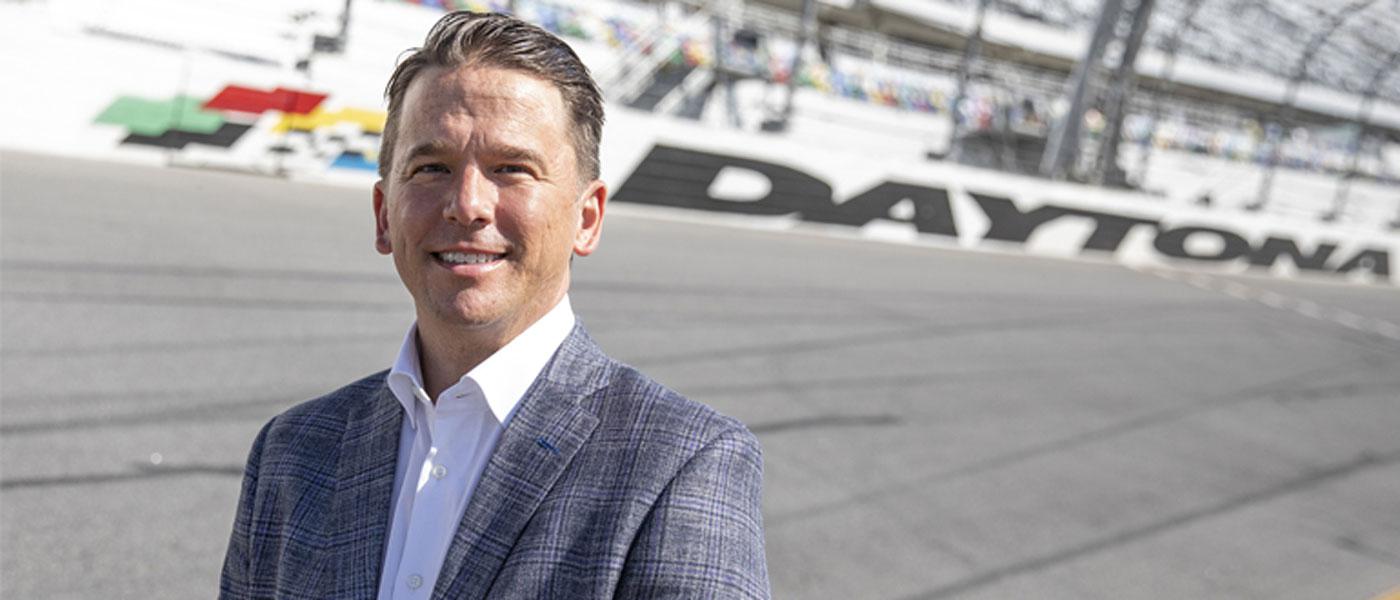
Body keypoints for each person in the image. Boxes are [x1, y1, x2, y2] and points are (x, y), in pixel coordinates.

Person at [220, 11, 769, 599]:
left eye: (512, 169)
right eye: (432, 167)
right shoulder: (292, 450)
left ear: (587, 220)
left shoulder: (683, 463)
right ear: (384, 215)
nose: (467, 205)